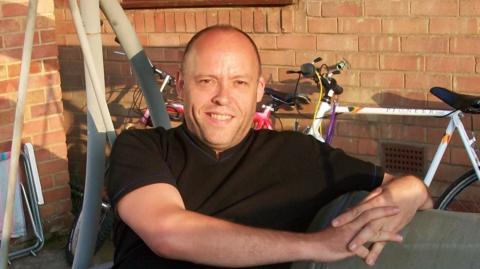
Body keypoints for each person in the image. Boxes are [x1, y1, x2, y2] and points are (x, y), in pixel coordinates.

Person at [107, 25, 433, 268]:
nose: (222, 97)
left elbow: (403, 187)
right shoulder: (141, 148)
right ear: (181, 85)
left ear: (259, 90)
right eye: (206, 81)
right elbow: (168, 232)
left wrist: (410, 191)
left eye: (239, 82)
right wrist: (315, 246)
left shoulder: (299, 155)